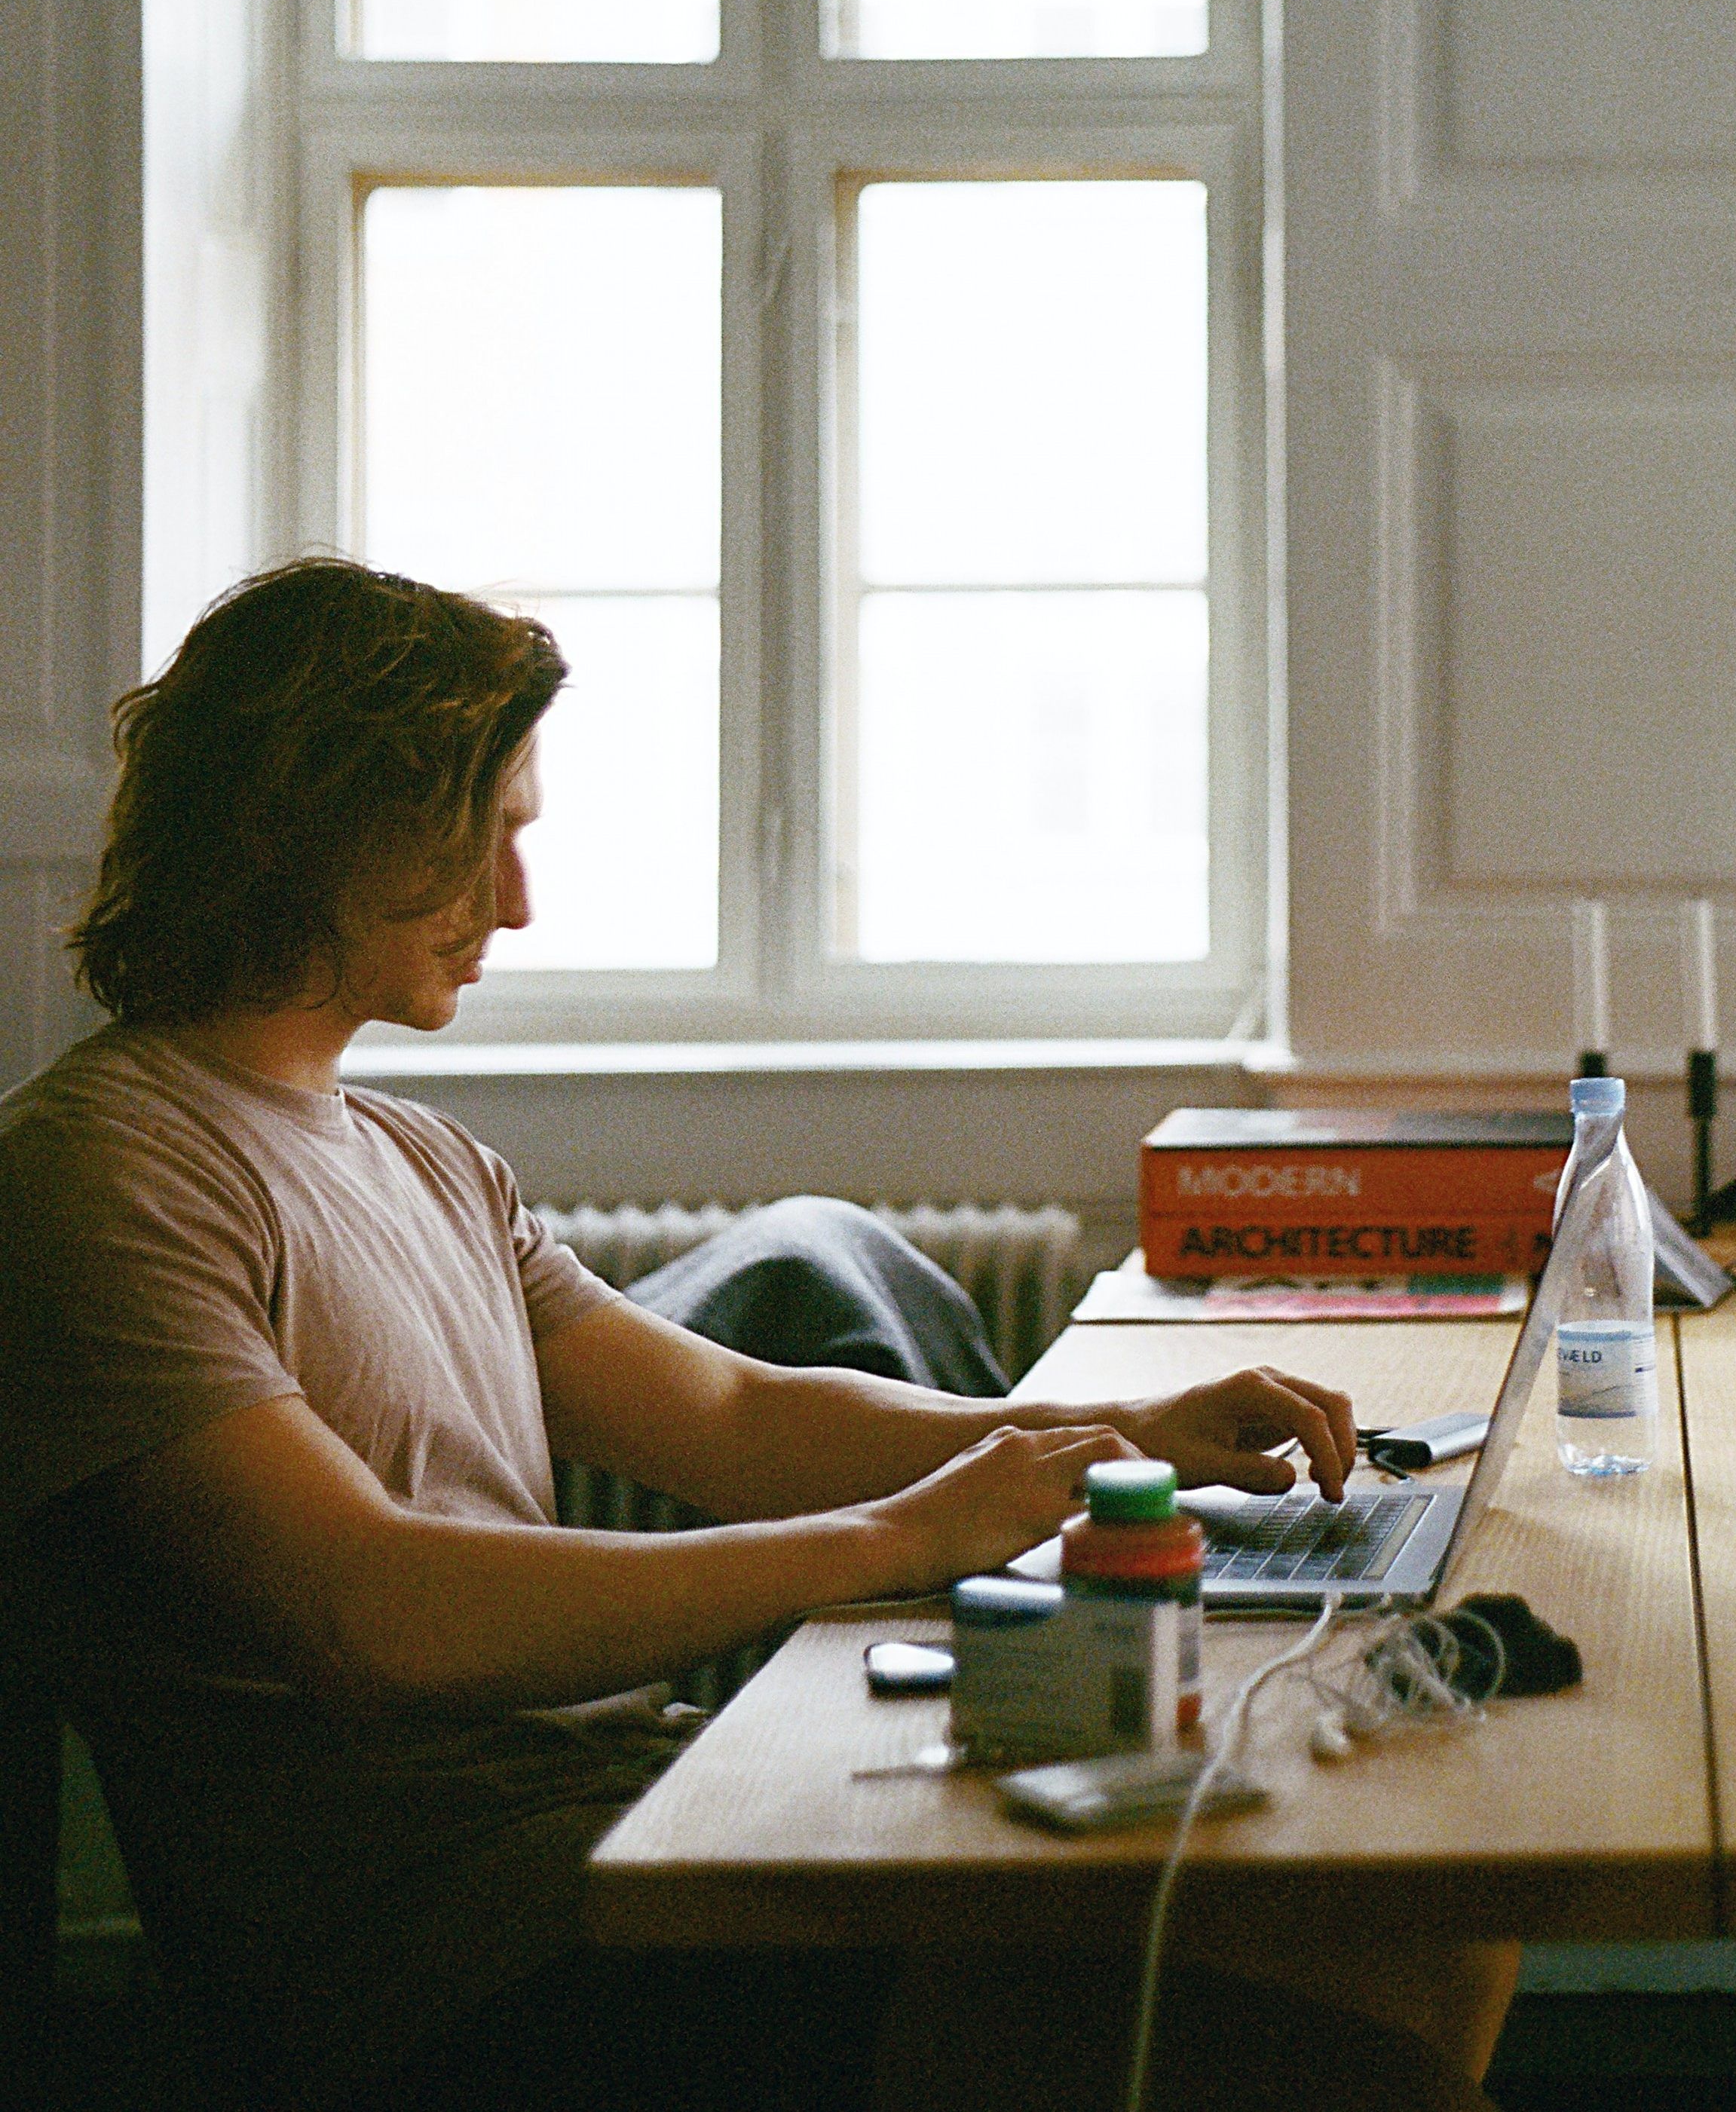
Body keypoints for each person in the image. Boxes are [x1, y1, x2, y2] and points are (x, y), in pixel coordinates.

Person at [0, 559, 1513, 2111]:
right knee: (1352, 2064)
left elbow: (729, 1415)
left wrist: (1112, 1437)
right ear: (318, 826)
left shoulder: (426, 1157)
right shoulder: (102, 1172)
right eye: (477, 843)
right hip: (461, 1962)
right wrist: (894, 1538)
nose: (514, 903)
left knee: (1421, 1920)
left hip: (632, 1817)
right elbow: (374, 1616)